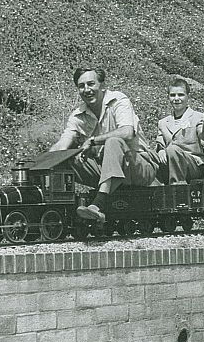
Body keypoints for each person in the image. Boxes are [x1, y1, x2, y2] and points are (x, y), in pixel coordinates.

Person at [49, 67, 159, 224]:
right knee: (67, 158)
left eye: (91, 84)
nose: (87, 90)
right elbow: (62, 145)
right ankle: (59, 208)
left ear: (102, 85)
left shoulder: (118, 100)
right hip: (106, 169)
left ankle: (98, 205)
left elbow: (127, 132)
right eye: (81, 86)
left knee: (113, 142)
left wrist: (93, 140)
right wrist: (38, 163)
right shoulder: (78, 116)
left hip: (139, 167)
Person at [156, 77, 204, 184]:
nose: (176, 98)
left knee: (172, 149)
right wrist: (161, 150)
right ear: (168, 97)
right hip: (170, 162)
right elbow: (160, 144)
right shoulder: (163, 122)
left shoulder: (198, 117)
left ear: (188, 97)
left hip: (194, 164)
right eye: (172, 95)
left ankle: (177, 186)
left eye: (180, 95)